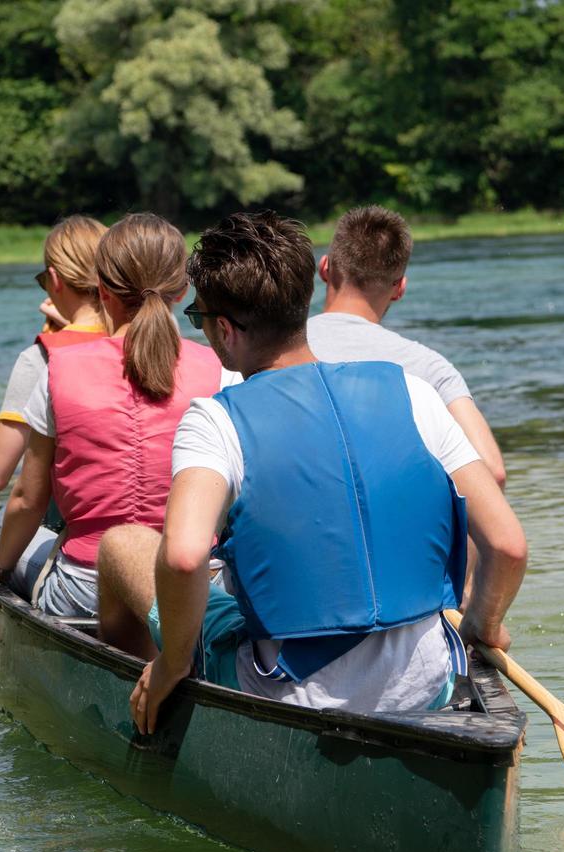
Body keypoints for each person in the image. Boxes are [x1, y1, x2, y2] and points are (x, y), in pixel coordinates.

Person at [94, 211, 527, 735]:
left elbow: (184, 557)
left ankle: (138, 706)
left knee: (123, 545)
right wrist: (483, 625)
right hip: (425, 682)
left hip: (290, 690)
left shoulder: (216, 419)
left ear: (224, 331)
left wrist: (172, 663)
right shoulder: (413, 391)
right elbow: (507, 545)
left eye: (199, 320)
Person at [0, 213, 229, 616]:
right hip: (198, 585)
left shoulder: (59, 368)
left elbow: (28, 500)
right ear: (183, 290)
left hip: (84, 589)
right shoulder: (220, 371)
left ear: (102, 290)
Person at [311, 206, 506, 487]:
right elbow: (493, 471)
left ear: (325, 268)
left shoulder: (277, 349)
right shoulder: (430, 367)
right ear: (400, 288)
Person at [0, 215, 109, 508]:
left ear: (55, 280)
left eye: (44, 280)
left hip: (77, 521)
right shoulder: (151, 336)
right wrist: (70, 319)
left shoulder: (41, 359)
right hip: (151, 513)